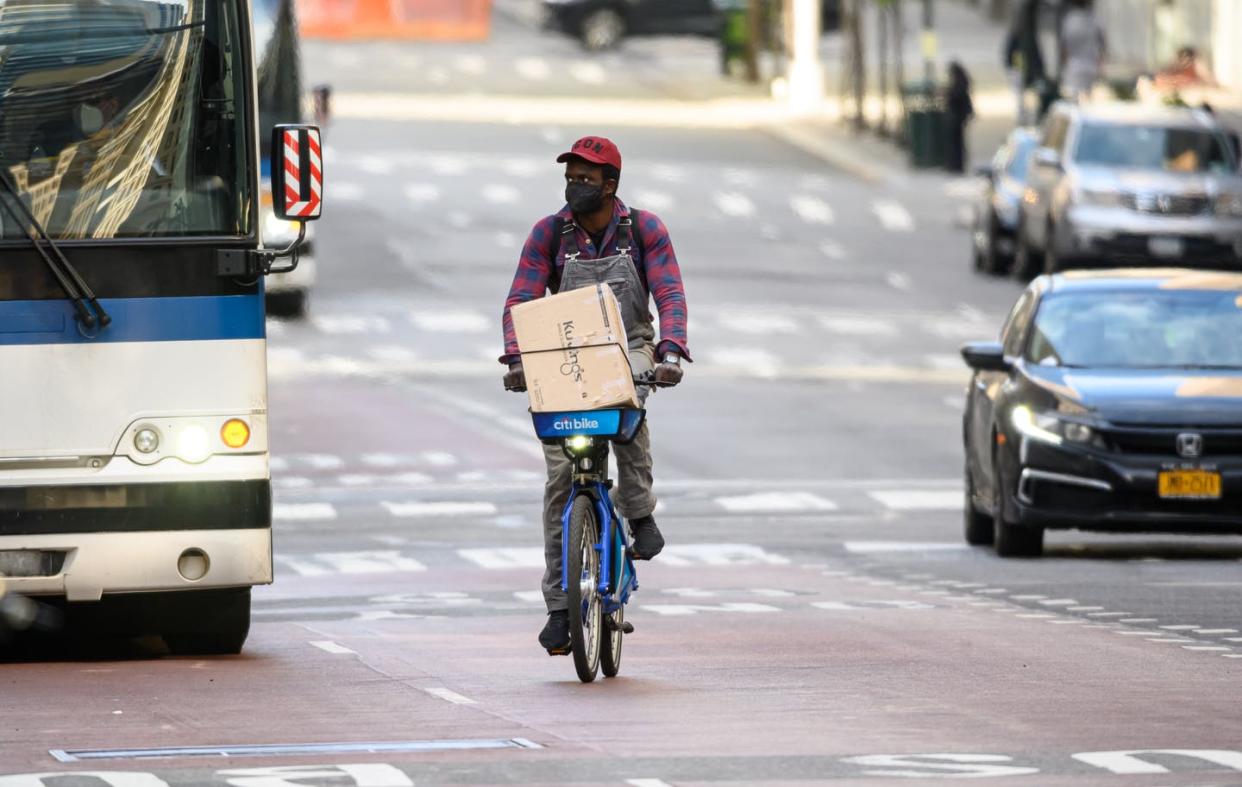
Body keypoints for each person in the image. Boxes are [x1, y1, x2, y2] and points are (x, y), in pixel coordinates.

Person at [500, 136, 690, 654]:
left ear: (611, 186)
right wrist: (518, 360)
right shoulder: (548, 233)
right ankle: (561, 609)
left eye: (587, 179)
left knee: (627, 399)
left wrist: (670, 354)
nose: (575, 186)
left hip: (628, 344)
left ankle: (639, 510)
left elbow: (669, 292)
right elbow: (521, 298)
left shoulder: (645, 230)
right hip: (562, 352)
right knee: (562, 479)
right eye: (571, 177)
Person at [1003, 0, 1046, 125]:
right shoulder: (1019, 34)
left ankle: (1028, 117)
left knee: (1025, 95)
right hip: (1019, 66)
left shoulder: (1025, 34)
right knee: (1020, 95)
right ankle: (1024, 117)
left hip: (1022, 65)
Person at [1059, 0, 1105, 103]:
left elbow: (1064, 47)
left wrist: (1063, 66)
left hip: (1073, 67)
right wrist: (1100, 63)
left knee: (1072, 101)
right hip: (1090, 66)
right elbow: (1102, 43)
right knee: (1088, 101)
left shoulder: (1069, 20)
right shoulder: (1094, 19)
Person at [945, 62, 974, 174]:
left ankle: (956, 165)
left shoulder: (960, 84)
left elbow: (956, 97)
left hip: (957, 117)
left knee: (956, 143)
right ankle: (956, 165)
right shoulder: (962, 82)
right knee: (957, 142)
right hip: (959, 117)